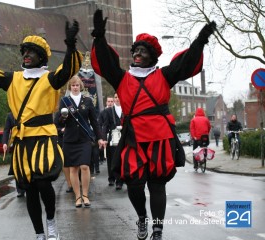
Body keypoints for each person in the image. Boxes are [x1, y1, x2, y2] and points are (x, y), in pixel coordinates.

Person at [90, 9, 216, 240]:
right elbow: (106, 64)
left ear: (152, 56)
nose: (137, 53)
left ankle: (157, 229)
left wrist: (200, 41)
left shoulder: (164, 75)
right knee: (135, 185)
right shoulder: (122, 78)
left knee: (157, 186)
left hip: (160, 139)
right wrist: (99, 37)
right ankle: (142, 217)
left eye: (143, 51)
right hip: (133, 139)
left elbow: (186, 64)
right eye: (135, 50)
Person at [0, 19, 82, 240]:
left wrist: (69, 44)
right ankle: (39, 233)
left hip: (43, 138)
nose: (26, 55)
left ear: (41, 56)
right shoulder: (13, 79)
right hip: (22, 141)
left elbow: (68, 69)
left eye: (31, 51)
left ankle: (50, 221)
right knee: (29, 188)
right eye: (25, 51)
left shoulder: (50, 79)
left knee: (43, 182)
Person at [57, 75, 106, 208]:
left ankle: (85, 195)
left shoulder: (88, 100)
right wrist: (63, 117)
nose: (75, 87)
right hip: (70, 139)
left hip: (84, 139)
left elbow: (94, 122)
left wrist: (100, 137)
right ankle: (77, 197)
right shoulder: (65, 101)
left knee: (85, 166)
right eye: (73, 85)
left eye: (77, 85)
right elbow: (58, 122)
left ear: (81, 86)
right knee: (73, 168)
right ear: (70, 87)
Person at [102, 93, 124, 190]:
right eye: (115, 97)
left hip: (124, 137)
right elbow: (105, 125)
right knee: (114, 159)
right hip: (113, 137)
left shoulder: (126, 109)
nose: (117, 99)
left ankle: (121, 180)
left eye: (119, 97)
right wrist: (104, 139)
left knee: (123, 158)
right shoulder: (108, 111)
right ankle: (114, 179)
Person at [2, 112, 26, 197]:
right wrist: (5, 143)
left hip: (28, 142)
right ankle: (20, 189)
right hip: (17, 144)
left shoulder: (27, 111)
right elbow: (6, 130)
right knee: (17, 166)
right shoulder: (10, 115)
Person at [54, 110, 73, 193]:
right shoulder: (58, 113)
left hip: (75, 138)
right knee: (65, 162)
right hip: (63, 139)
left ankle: (77, 181)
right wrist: (61, 130)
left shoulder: (75, 111)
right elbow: (55, 127)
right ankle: (69, 184)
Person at [98, 96, 115, 165]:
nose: (110, 103)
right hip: (106, 134)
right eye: (109, 101)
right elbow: (100, 124)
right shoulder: (102, 112)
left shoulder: (116, 111)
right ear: (106, 102)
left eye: (111, 101)